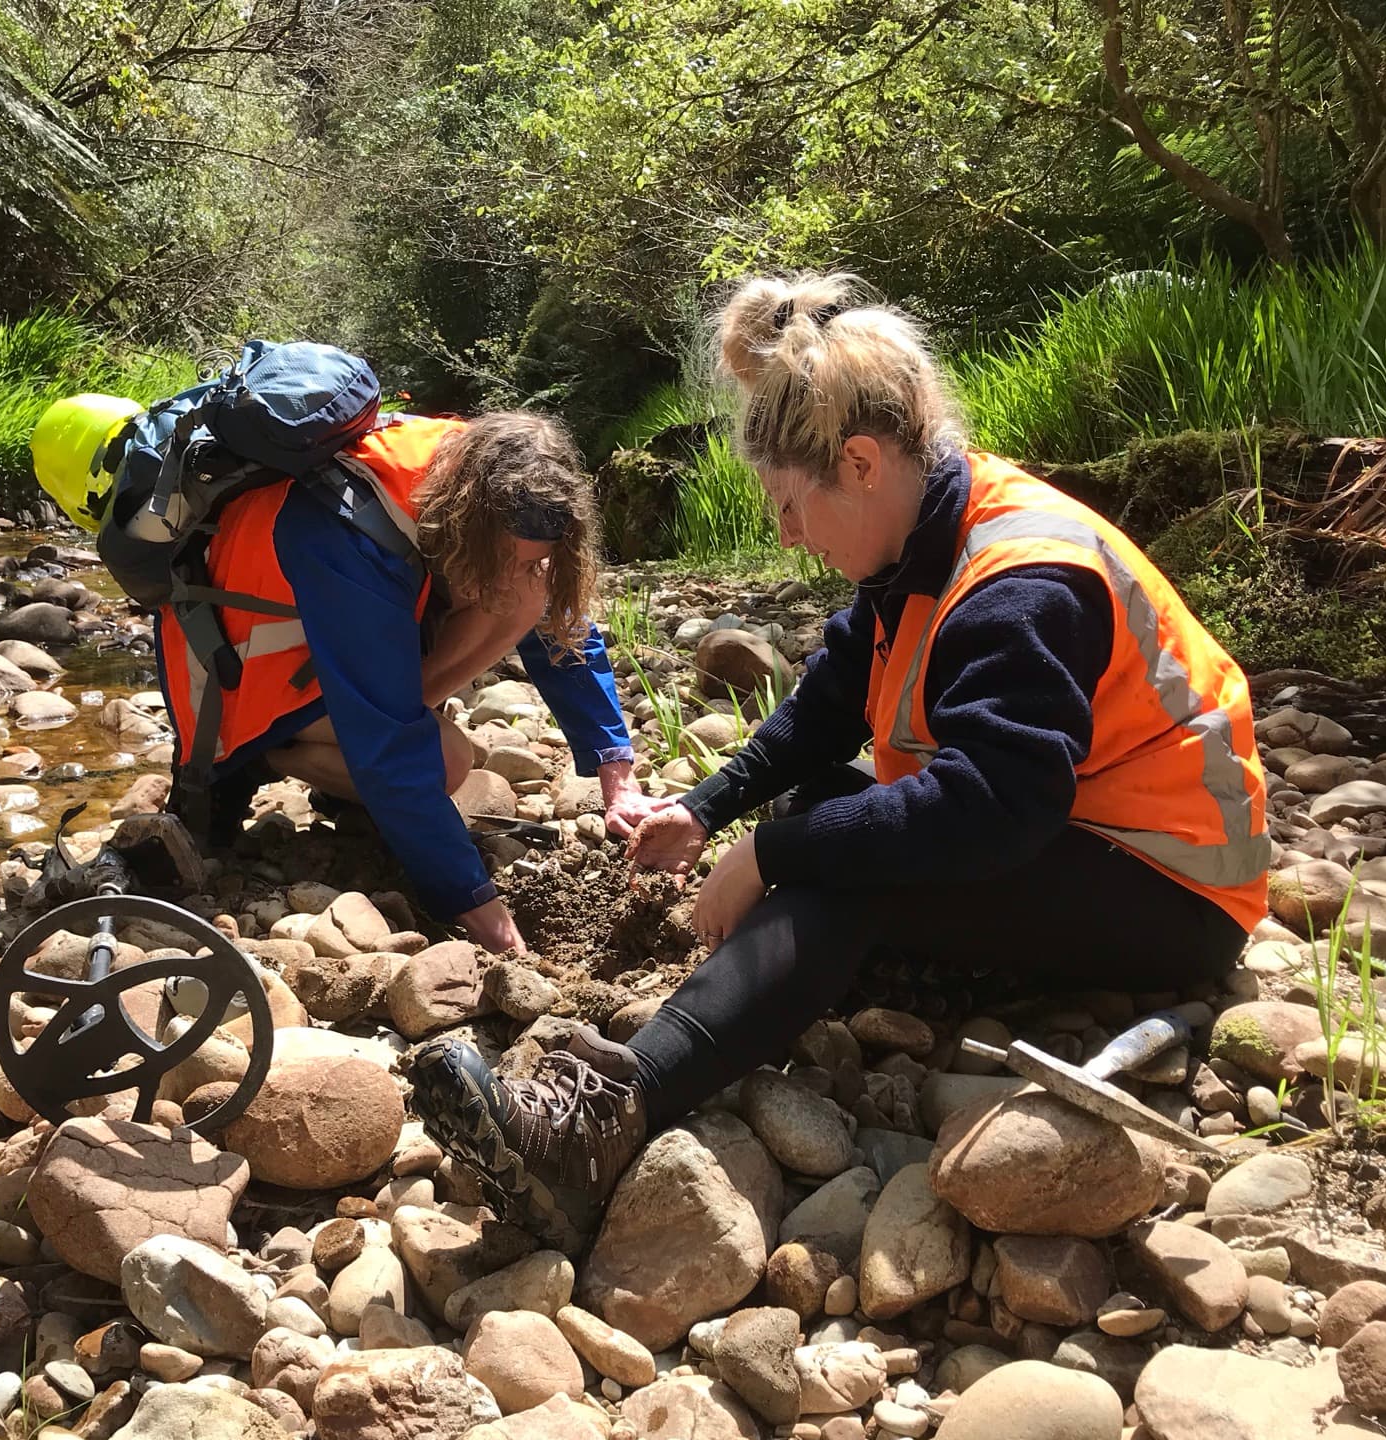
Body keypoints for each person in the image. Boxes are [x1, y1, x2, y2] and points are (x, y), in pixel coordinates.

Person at [408, 273, 1271, 1250]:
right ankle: (893, 978)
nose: (781, 532)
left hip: (1174, 889)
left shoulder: (1019, 582)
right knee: (821, 811)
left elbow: (992, 809)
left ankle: (594, 1133)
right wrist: (705, 807)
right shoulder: (922, 532)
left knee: (837, 869)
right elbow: (825, 712)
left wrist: (776, 861)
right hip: (1081, 834)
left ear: (857, 463)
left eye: (786, 504)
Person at [31, 374, 666, 954]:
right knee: (443, 759)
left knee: (533, 586)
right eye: (504, 555)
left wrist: (618, 775)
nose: (514, 573)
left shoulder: (490, 466)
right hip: (252, 690)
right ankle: (271, 758)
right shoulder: (341, 532)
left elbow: (561, 621)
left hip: (339, 638)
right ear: (470, 517)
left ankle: (376, 786)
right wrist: (484, 913)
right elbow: (388, 743)